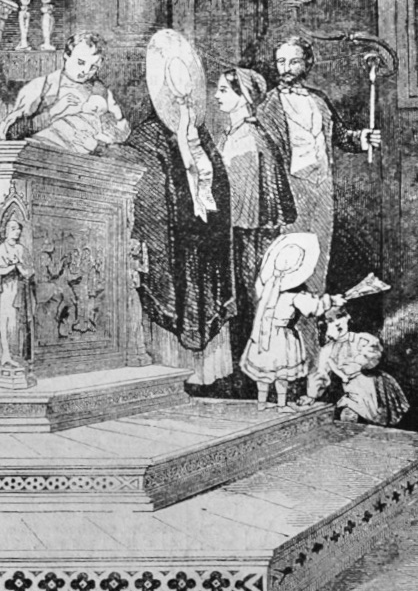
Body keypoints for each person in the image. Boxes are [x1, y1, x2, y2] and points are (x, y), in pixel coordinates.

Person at [127, 29, 234, 387]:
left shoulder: (202, 135)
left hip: (203, 240)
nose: (183, 97)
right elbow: (150, 194)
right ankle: (172, 372)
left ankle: (205, 375)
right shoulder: (147, 137)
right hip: (173, 241)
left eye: (187, 88)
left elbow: (218, 184)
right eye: (175, 88)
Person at [256, 36, 379, 298]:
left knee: (320, 250)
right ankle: (287, 316)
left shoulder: (319, 99)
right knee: (292, 255)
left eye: (293, 61)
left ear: (308, 63)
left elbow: (340, 135)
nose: (286, 68)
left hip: (322, 185)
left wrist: (363, 138)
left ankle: (315, 311)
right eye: (281, 61)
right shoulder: (268, 106)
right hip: (291, 187)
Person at [213, 67, 296, 369]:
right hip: (236, 231)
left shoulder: (250, 138)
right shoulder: (233, 133)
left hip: (248, 233)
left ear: (244, 96)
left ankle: (257, 365)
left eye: (224, 90)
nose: (216, 95)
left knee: (253, 295)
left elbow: (244, 201)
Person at [240, 232, 329, 409]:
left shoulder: (266, 287)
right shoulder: (293, 295)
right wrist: (331, 301)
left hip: (263, 335)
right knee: (281, 374)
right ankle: (281, 405)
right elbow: (314, 308)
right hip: (283, 337)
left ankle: (262, 403)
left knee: (264, 371)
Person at [1, 33, 130, 154]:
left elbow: (119, 137)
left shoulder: (102, 93)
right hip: (42, 156)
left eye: (93, 67)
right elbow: (12, 133)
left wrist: (97, 145)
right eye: (81, 62)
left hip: (83, 163)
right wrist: (54, 112)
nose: (85, 71)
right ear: (67, 55)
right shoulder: (42, 86)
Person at [303, 301, 408, 425]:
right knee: (348, 416)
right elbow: (321, 373)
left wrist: (363, 361)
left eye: (340, 317)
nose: (337, 323)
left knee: (378, 421)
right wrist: (312, 395)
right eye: (330, 321)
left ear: (348, 317)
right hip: (352, 390)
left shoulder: (362, 339)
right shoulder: (327, 350)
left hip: (374, 387)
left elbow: (374, 358)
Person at [0, 217, 31, 370]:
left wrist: (20, 267)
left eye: (18, 229)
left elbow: (29, 271)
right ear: (7, 231)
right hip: (7, 289)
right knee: (6, 320)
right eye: (13, 229)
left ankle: (15, 355)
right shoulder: (2, 247)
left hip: (19, 289)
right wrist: (11, 267)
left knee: (16, 323)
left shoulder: (21, 249)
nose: (17, 232)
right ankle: (6, 354)